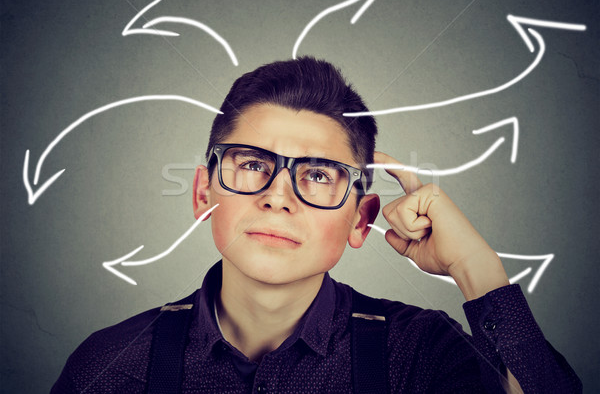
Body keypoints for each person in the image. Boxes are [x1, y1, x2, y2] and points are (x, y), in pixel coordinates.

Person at [52, 57, 581, 393]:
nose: (278, 197)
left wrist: (476, 268)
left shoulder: (421, 355)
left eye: (319, 174)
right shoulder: (109, 366)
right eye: (253, 165)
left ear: (361, 218)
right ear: (201, 193)